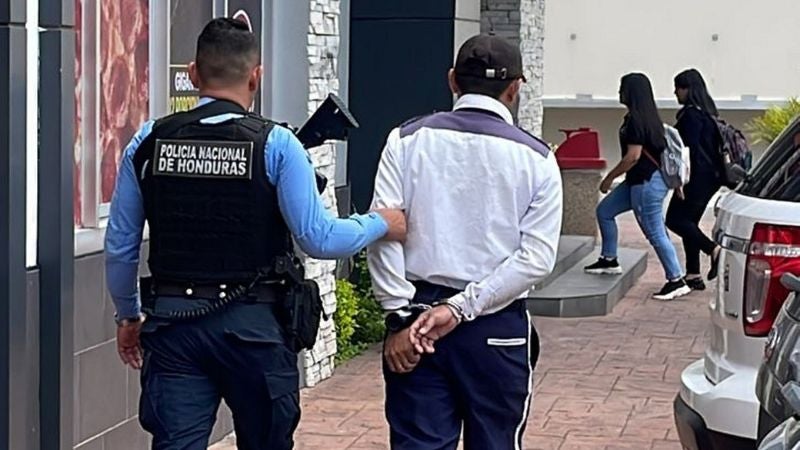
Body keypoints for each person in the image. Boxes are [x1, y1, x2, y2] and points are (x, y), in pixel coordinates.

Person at [104, 18, 405, 450]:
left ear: (193, 74)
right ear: (256, 77)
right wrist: (381, 222)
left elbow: (120, 245)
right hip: (254, 330)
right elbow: (320, 238)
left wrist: (128, 316)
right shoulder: (277, 145)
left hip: (174, 326)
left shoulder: (149, 141)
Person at [367, 34, 563, 449]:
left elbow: (383, 229)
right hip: (495, 322)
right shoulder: (538, 158)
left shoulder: (405, 140)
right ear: (515, 89)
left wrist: (398, 315)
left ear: (453, 80)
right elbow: (536, 258)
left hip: (416, 318)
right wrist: (461, 307)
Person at [584, 73, 691, 301]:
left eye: (622, 88)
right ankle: (609, 259)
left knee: (655, 232)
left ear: (631, 92)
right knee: (605, 211)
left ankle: (676, 280)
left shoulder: (636, 121)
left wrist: (609, 178)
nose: (619, 92)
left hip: (646, 183)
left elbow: (633, 156)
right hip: (639, 181)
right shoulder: (646, 118)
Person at [665, 69, 723, 290]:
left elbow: (686, 153)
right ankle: (693, 274)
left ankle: (713, 250)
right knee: (689, 222)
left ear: (688, 89)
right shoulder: (708, 113)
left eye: (678, 88)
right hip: (711, 178)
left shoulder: (690, 116)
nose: (675, 92)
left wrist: (680, 181)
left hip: (696, 177)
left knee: (675, 220)